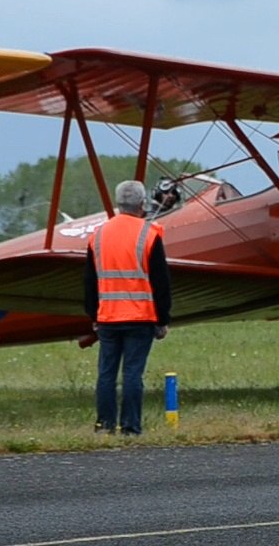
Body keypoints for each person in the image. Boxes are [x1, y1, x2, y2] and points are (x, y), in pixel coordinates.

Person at [84, 180, 172, 435]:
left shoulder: (98, 235)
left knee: (106, 374)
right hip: (140, 316)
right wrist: (162, 319)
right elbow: (161, 281)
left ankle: (104, 425)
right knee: (133, 374)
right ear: (142, 204)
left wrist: (94, 315)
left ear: (118, 203)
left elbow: (89, 280)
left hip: (108, 317)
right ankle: (131, 427)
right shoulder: (150, 234)